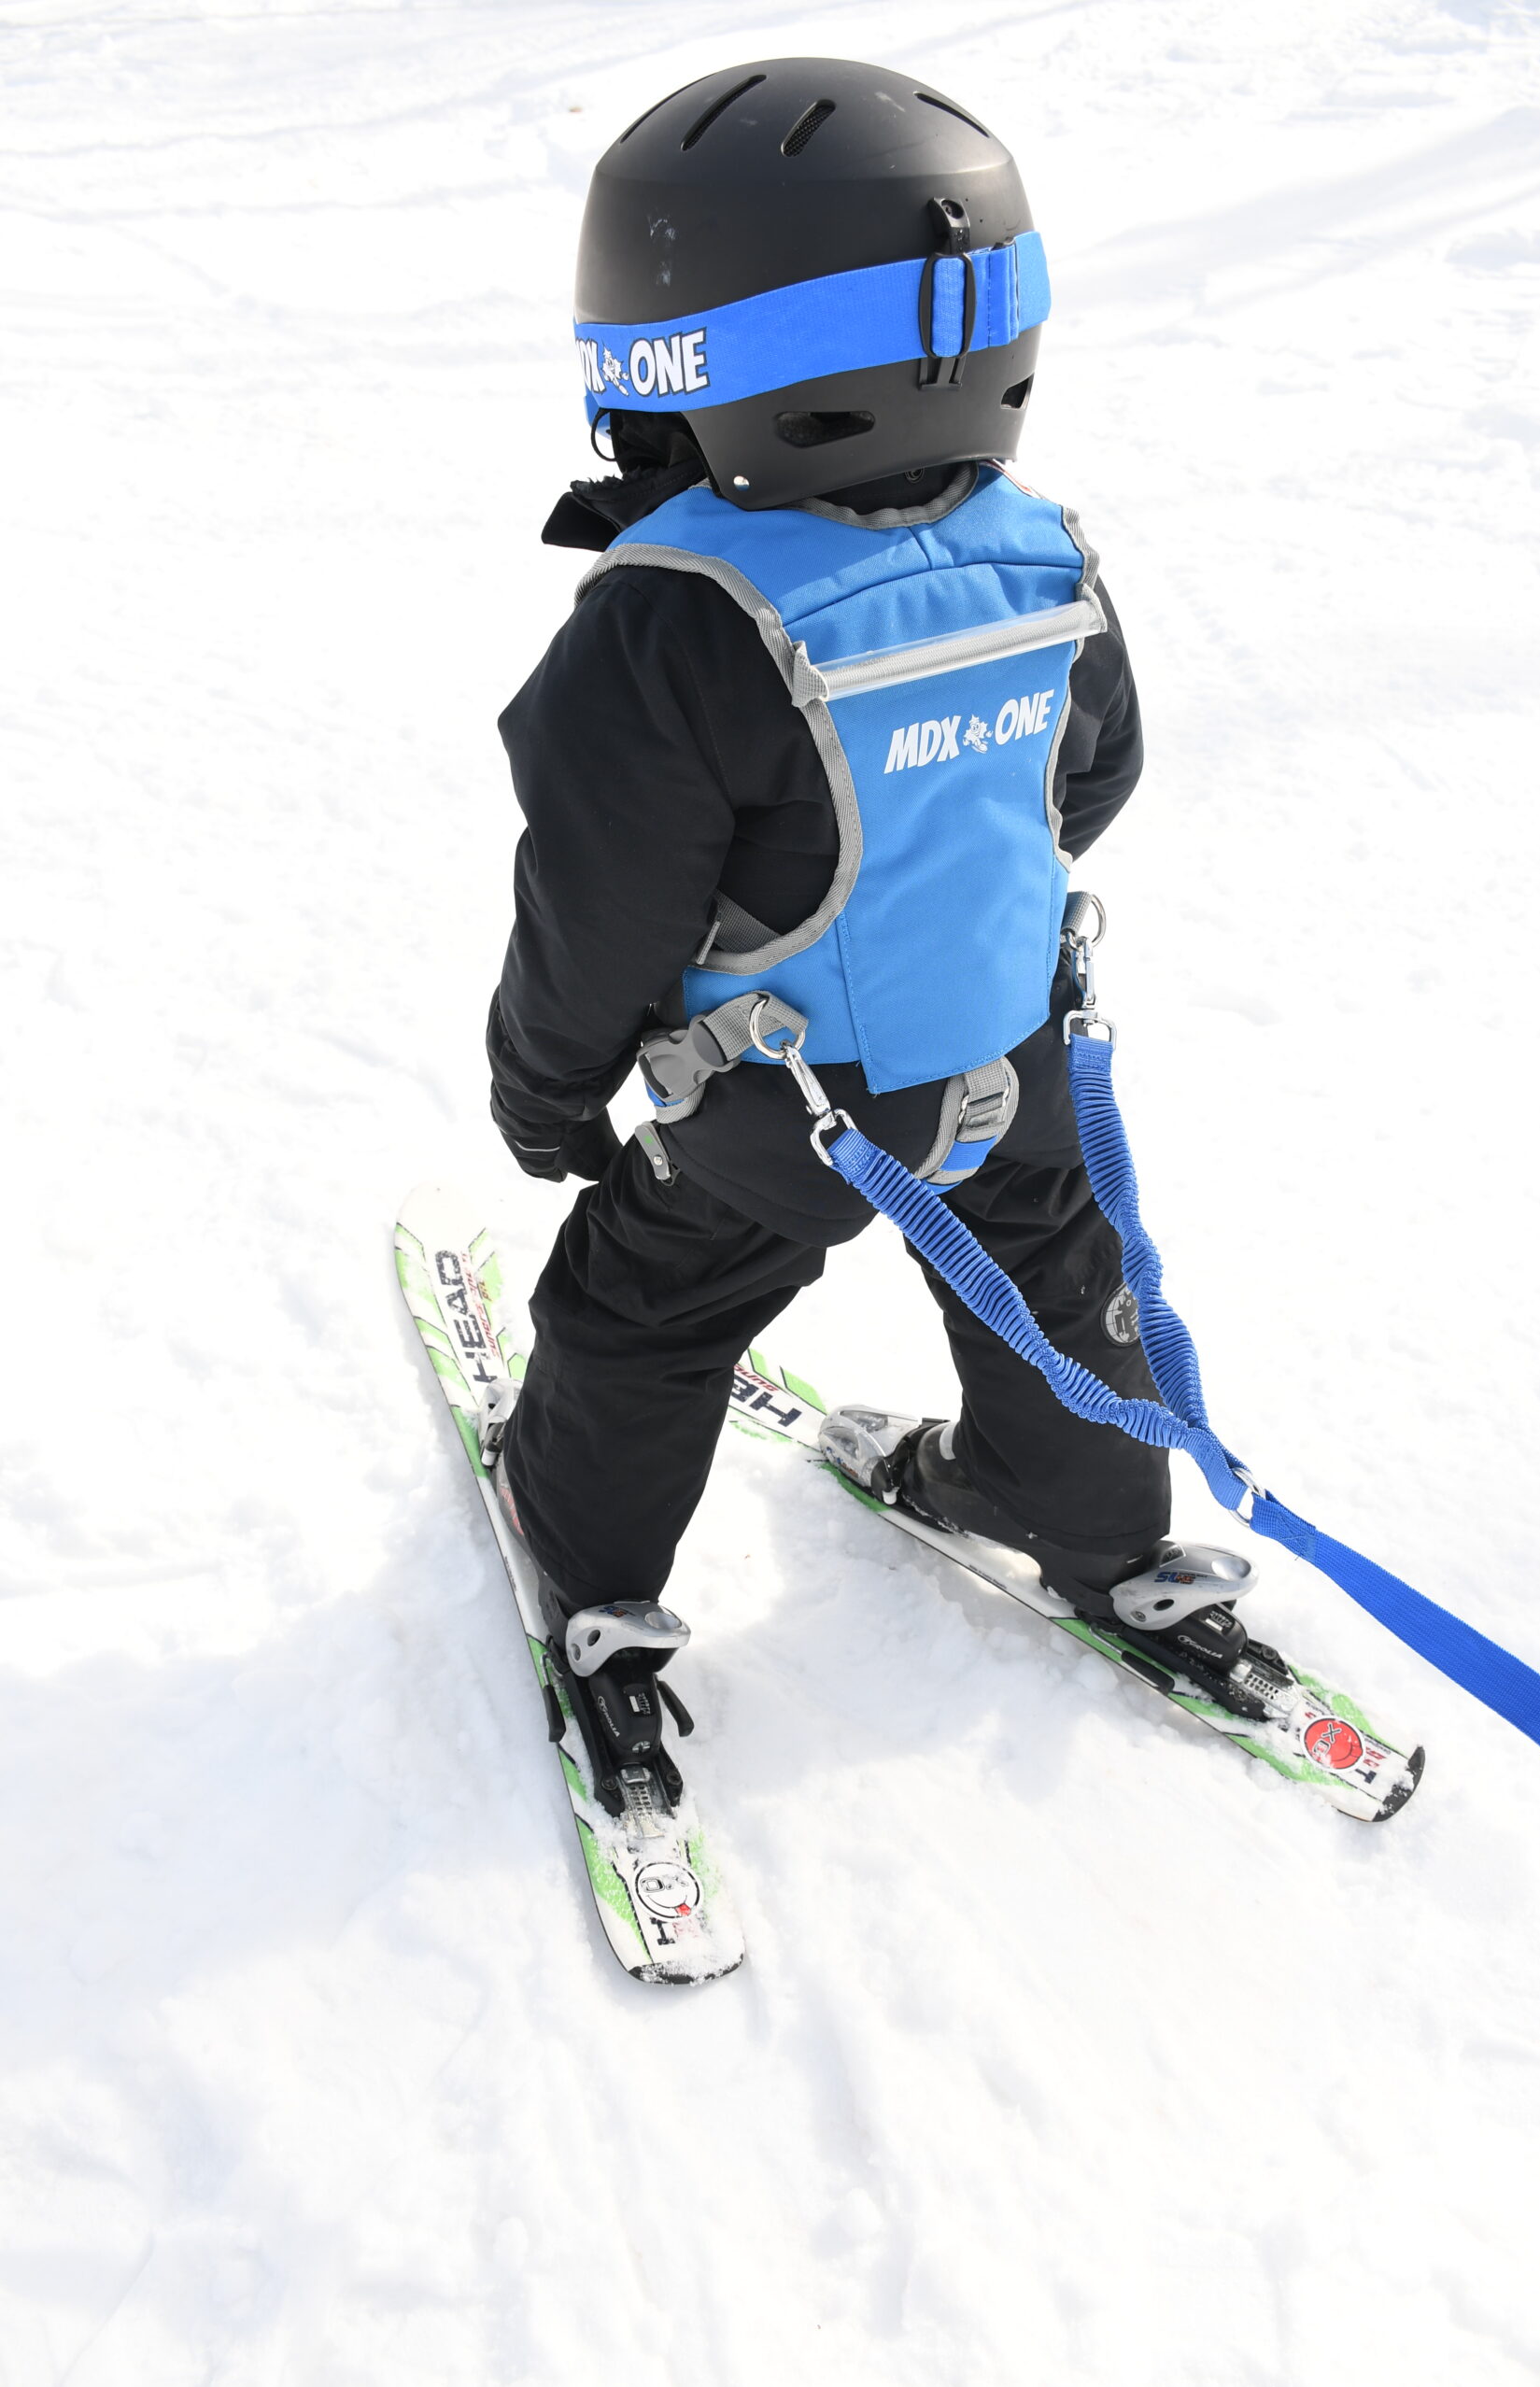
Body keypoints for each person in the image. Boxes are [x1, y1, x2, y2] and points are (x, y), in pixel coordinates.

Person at [486, 58, 1251, 1800]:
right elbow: (1091, 774)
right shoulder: (1044, 550)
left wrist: (548, 1096)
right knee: (1051, 1275)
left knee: (645, 1310)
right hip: (1014, 1054)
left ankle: (591, 1572)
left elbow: (595, 910)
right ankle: (1090, 1526)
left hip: (783, 1115)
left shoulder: (674, 623)